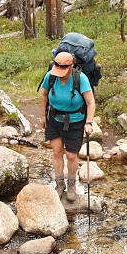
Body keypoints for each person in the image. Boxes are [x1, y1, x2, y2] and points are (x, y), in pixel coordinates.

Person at [41, 51, 95, 202]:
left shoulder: (81, 79)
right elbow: (44, 95)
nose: (60, 74)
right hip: (54, 119)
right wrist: (42, 115)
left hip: (76, 121)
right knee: (57, 152)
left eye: (63, 71)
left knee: (71, 155)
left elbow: (90, 102)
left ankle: (71, 185)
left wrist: (89, 122)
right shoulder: (50, 76)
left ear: (71, 66)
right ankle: (59, 185)